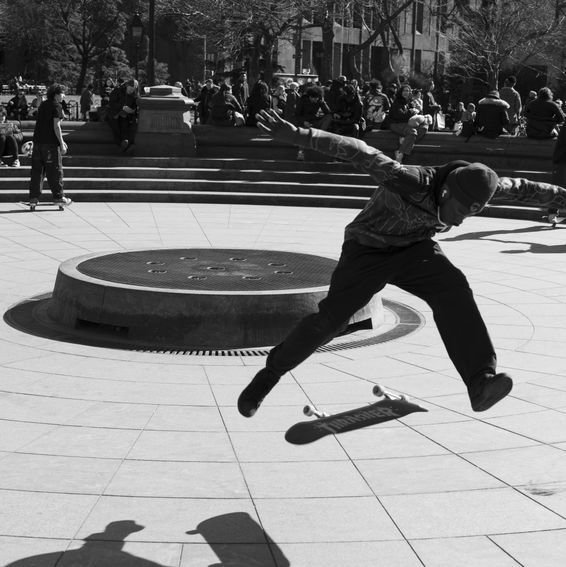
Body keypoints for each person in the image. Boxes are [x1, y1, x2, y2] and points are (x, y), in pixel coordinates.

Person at [236, 109, 566, 419]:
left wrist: (562, 196)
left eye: (471, 214)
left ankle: (480, 382)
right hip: (367, 249)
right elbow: (359, 151)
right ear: (447, 193)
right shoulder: (408, 180)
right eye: (460, 212)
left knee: (454, 290)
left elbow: (526, 188)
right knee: (330, 322)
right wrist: (297, 134)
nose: (461, 221)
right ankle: (268, 376)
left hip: (415, 250)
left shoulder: (481, 187)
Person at [28, 83, 71, 207]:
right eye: (63, 93)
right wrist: (62, 143)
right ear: (57, 94)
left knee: (37, 172)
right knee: (55, 171)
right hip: (50, 145)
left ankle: (33, 199)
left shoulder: (43, 105)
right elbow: (56, 126)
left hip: (38, 143)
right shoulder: (56, 106)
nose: (64, 95)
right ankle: (59, 197)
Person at [388, 83, 427, 163]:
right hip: (396, 124)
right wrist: (412, 111)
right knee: (412, 132)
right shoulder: (397, 102)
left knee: (424, 128)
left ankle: (405, 141)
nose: (407, 92)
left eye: (409, 91)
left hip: (407, 124)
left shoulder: (410, 102)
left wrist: (419, 110)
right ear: (401, 92)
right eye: (405, 90)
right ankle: (400, 153)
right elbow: (399, 115)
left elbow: (416, 115)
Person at [294, 85, 332, 160]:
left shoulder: (319, 100)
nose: (316, 100)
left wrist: (323, 102)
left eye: (317, 98)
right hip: (304, 122)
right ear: (310, 97)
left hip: (314, 121)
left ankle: (321, 134)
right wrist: (304, 122)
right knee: (303, 135)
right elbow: (296, 115)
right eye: (314, 98)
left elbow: (328, 112)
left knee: (329, 117)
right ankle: (300, 152)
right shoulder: (302, 100)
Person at [106, 78, 139, 151]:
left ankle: (125, 143)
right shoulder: (117, 90)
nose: (131, 91)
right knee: (116, 128)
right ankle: (122, 145)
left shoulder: (135, 94)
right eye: (130, 89)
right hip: (114, 113)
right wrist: (122, 107)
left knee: (126, 126)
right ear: (127, 86)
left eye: (133, 89)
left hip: (126, 115)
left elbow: (135, 105)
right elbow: (111, 103)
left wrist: (133, 111)